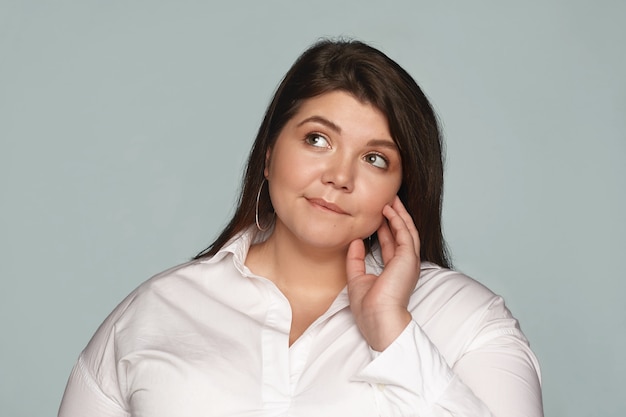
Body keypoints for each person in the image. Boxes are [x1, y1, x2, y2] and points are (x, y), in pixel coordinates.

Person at [58, 39, 543, 417]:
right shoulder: (151, 315)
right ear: (269, 155)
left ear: (403, 187)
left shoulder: (467, 320)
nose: (339, 176)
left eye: (375, 159)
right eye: (317, 139)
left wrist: (394, 334)